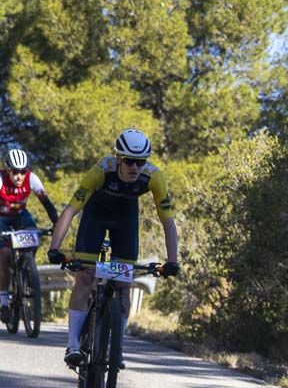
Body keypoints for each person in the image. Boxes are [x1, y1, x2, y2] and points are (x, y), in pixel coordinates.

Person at [46, 129, 179, 366]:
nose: (135, 167)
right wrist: (55, 247)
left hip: (125, 222)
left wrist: (172, 261)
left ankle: (115, 347)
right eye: (129, 161)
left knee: (122, 284)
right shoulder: (101, 171)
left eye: (140, 162)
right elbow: (70, 210)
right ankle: (73, 345)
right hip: (95, 218)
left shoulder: (154, 177)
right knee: (85, 278)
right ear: (119, 158)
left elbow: (167, 221)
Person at [0, 147, 59, 323]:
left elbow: (46, 203)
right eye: (15, 172)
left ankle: (26, 266)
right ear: (8, 170)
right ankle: (3, 300)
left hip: (20, 216)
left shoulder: (32, 178)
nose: (19, 176)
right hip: (1, 218)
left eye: (22, 171)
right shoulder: (1, 179)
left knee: (34, 236)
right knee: (4, 255)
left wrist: (57, 223)